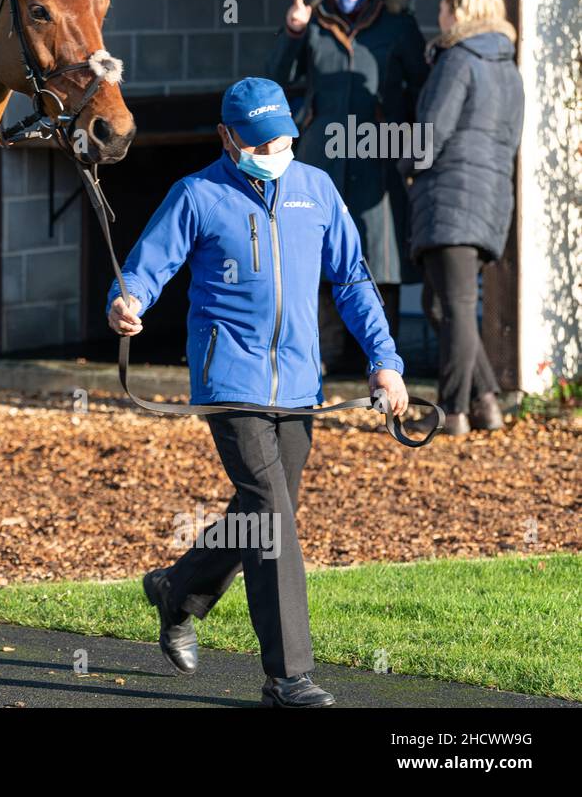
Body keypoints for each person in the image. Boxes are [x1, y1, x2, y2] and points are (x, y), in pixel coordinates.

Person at [107, 77, 409, 708]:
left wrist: (385, 360)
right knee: (272, 517)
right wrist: (127, 300)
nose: (275, 151)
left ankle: (178, 589)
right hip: (229, 383)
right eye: (261, 142)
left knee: (260, 516)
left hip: (301, 385)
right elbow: (147, 264)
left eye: (284, 140)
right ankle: (288, 677)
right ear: (228, 138)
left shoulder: (316, 190)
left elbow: (352, 279)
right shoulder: (198, 194)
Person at [267, 0, 428, 373]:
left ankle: (381, 355)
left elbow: (421, 86)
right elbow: (276, 78)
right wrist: (294, 32)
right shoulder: (315, 21)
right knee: (320, 245)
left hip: (379, 149)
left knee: (381, 251)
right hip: (322, 151)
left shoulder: (397, 23)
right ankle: (326, 351)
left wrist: (413, 145)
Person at [402, 0, 524, 435]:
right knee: (440, 303)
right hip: (491, 197)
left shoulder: (458, 60)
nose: (438, 17)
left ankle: (451, 411)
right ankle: (487, 400)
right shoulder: (509, 67)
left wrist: (407, 166)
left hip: (451, 194)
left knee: (451, 305)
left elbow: (430, 133)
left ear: (460, 11)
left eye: (442, 9)